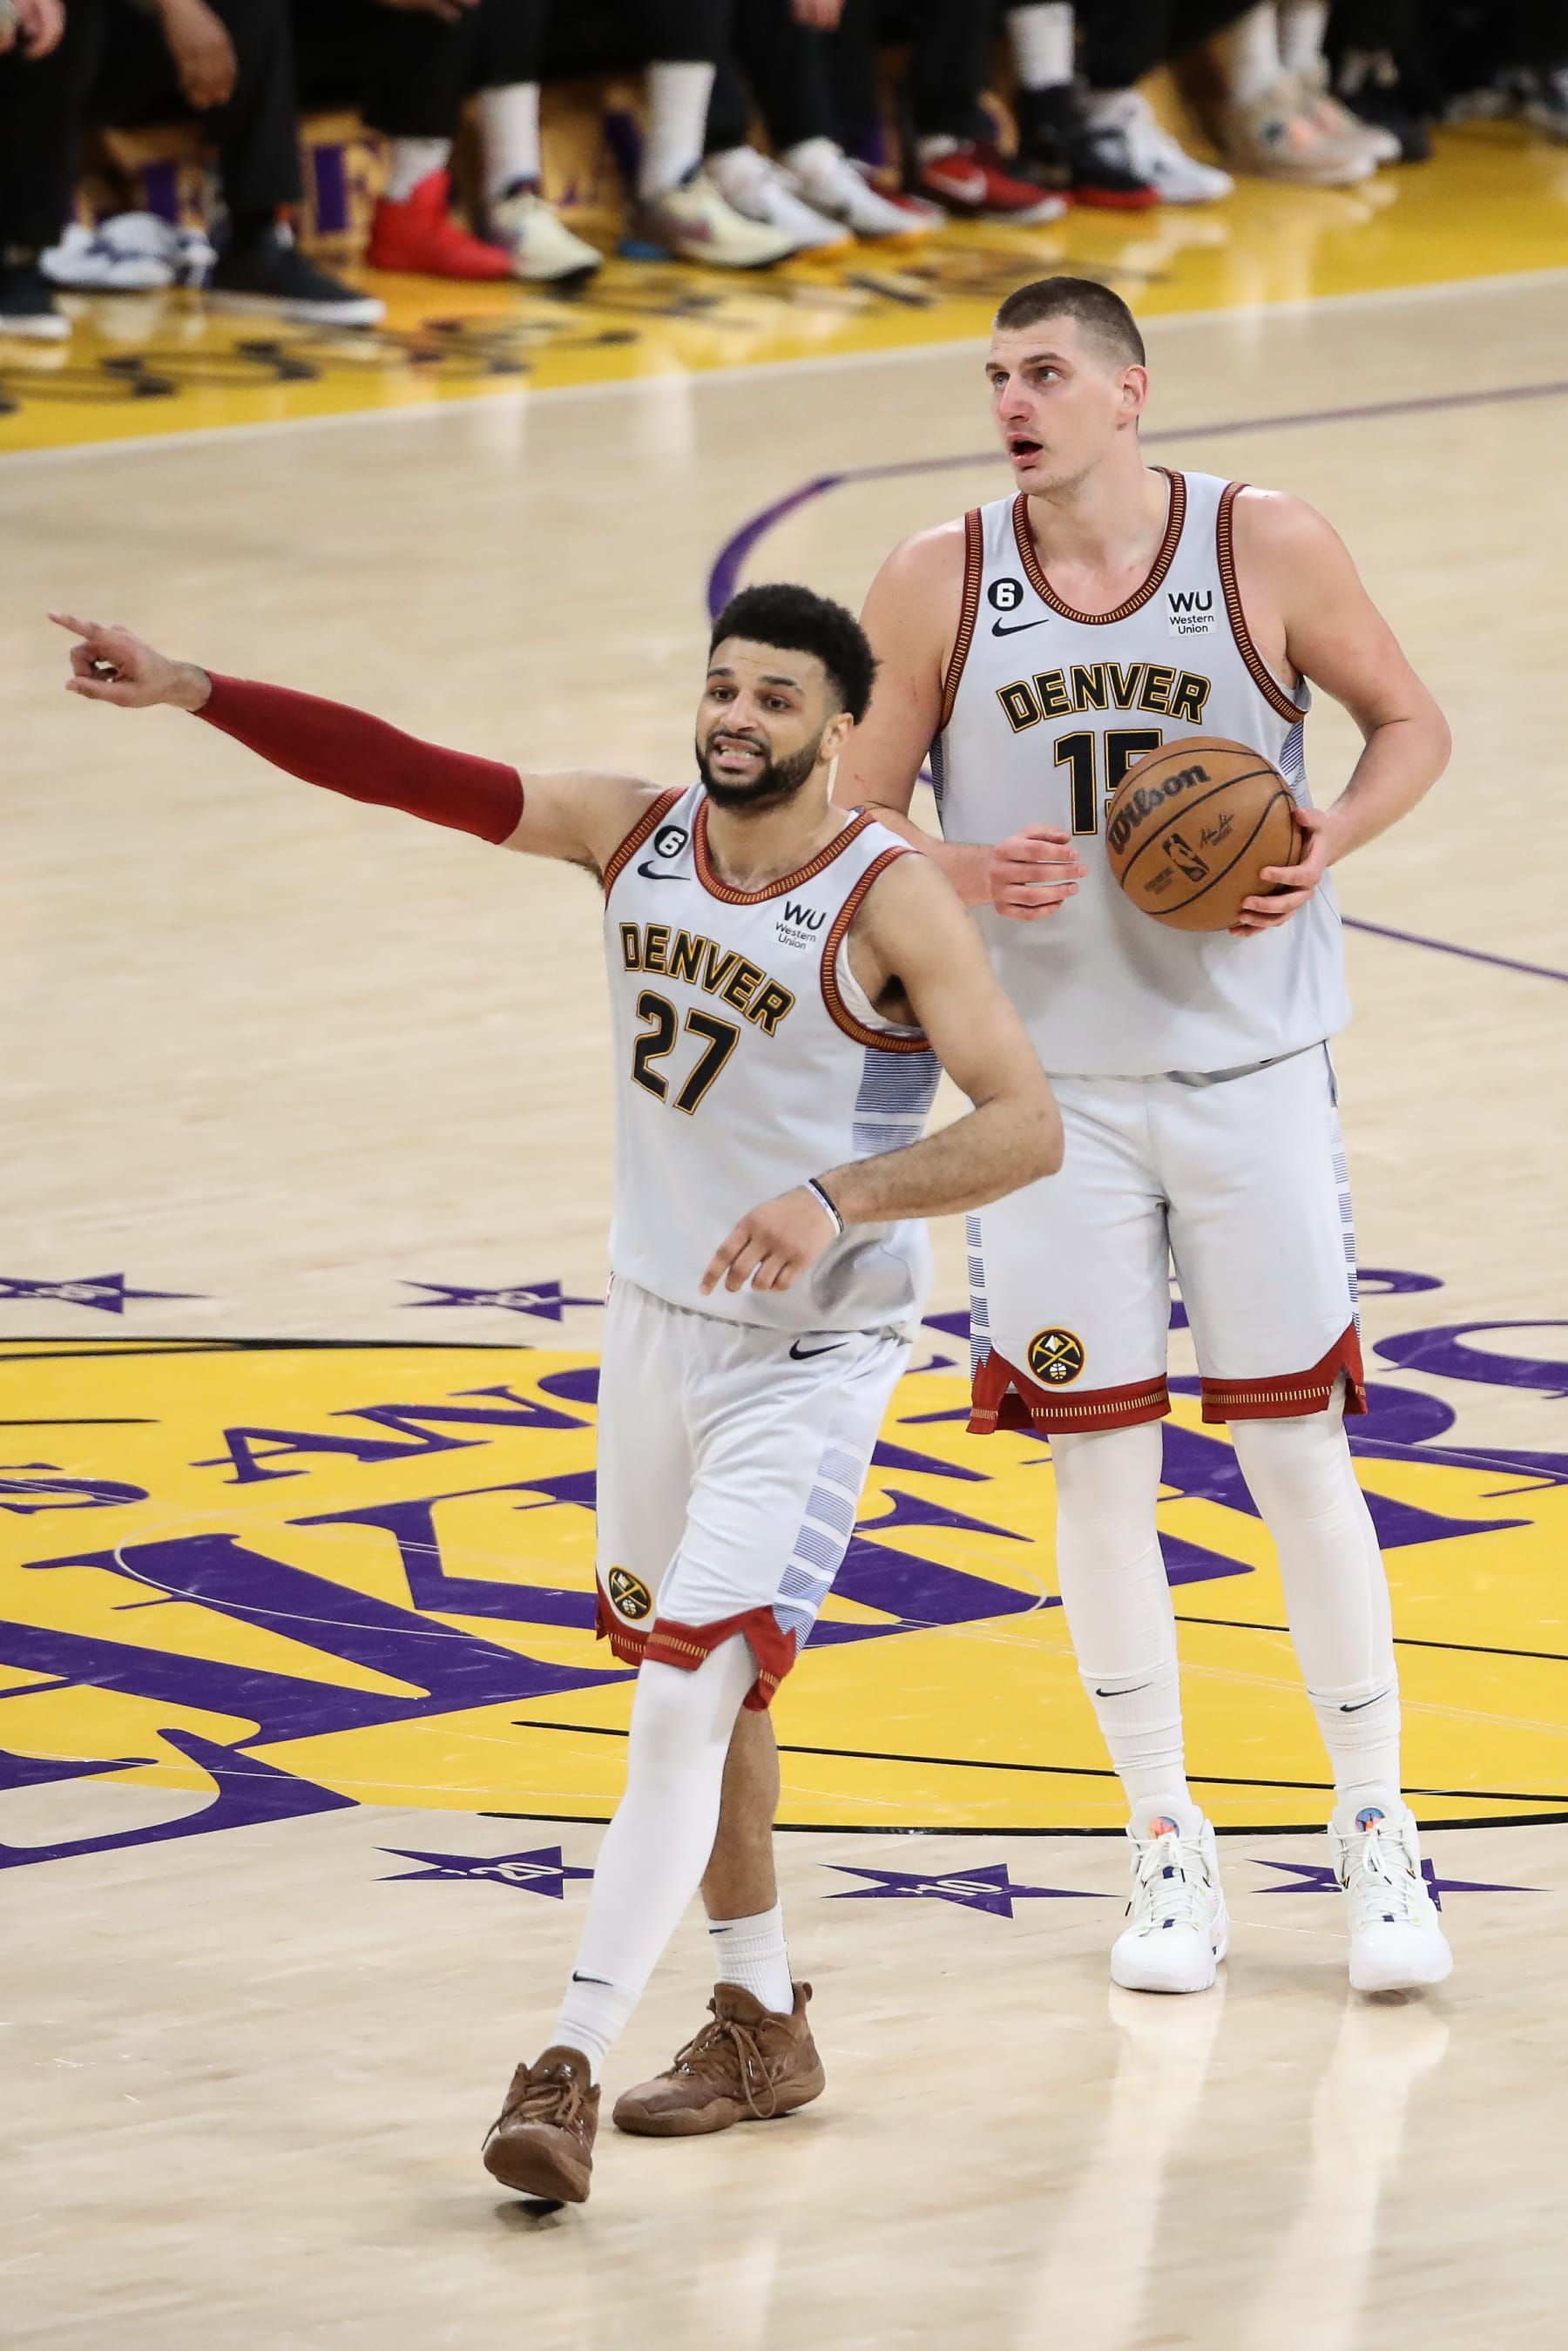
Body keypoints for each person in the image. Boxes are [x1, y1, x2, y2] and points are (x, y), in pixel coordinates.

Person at [51, 583, 1062, 2204]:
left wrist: (839, 1197)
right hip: (656, 1328)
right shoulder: (629, 831)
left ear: (836, 733)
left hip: (815, 1356)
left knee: (685, 1690)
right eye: (723, 687)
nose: (737, 716)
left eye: (778, 699)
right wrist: (196, 688)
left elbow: (1027, 1126)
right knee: (717, 1686)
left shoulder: (891, 899)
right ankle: (763, 2018)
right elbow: (405, 770)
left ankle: (567, 2064)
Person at [834, 274, 1455, 1998]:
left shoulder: (1265, 543)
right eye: (994, 376)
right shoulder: (935, 574)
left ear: (1130, 392)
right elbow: (849, 811)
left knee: (1295, 1459)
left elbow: (1414, 723)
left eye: (1044, 372)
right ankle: (1166, 1843)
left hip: (1253, 1078)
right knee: (1100, 1472)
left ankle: (1376, 1830)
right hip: (1043, 1107)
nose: (1012, 400)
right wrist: (949, 869)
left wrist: (1324, 837)